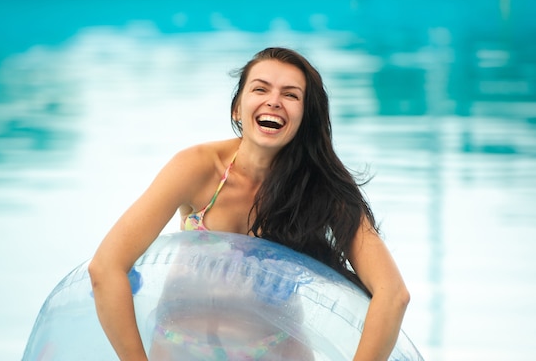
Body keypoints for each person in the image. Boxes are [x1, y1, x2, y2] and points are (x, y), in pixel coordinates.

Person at [88, 47, 410, 361]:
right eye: (260, 89)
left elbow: (392, 294)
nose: (274, 101)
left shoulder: (322, 190)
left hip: (275, 351)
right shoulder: (197, 169)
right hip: (180, 347)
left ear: (306, 117)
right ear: (237, 109)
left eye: (291, 95)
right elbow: (106, 267)